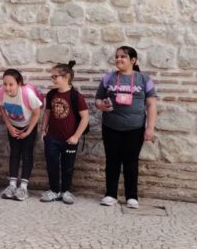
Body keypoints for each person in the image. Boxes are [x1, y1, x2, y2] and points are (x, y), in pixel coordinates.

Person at [94, 46, 158, 208]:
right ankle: (110, 194)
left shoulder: (144, 79)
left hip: (135, 128)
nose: (118, 59)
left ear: (133, 60)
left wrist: (150, 128)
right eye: (117, 56)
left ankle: (132, 196)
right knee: (112, 161)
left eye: (123, 56)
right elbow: (98, 99)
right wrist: (100, 105)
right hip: (110, 127)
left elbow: (151, 104)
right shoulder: (108, 78)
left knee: (131, 162)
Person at [41, 60, 89, 204]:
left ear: (66, 77)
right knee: (52, 164)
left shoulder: (76, 96)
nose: (53, 79)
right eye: (52, 76)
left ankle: (66, 191)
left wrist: (76, 136)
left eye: (55, 76)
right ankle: (54, 190)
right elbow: (47, 113)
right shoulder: (51, 94)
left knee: (68, 166)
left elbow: (85, 118)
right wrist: (43, 130)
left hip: (70, 139)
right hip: (52, 138)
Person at [0, 69, 42, 202]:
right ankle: (12, 185)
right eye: (5, 84)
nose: (7, 88)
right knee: (14, 153)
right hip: (13, 127)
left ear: (19, 84)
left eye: (11, 84)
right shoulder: (0, 92)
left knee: (27, 154)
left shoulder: (27, 94)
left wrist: (28, 132)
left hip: (28, 126)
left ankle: (23, 187)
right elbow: (2, 108)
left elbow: (37, 113)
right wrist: (10, 127)